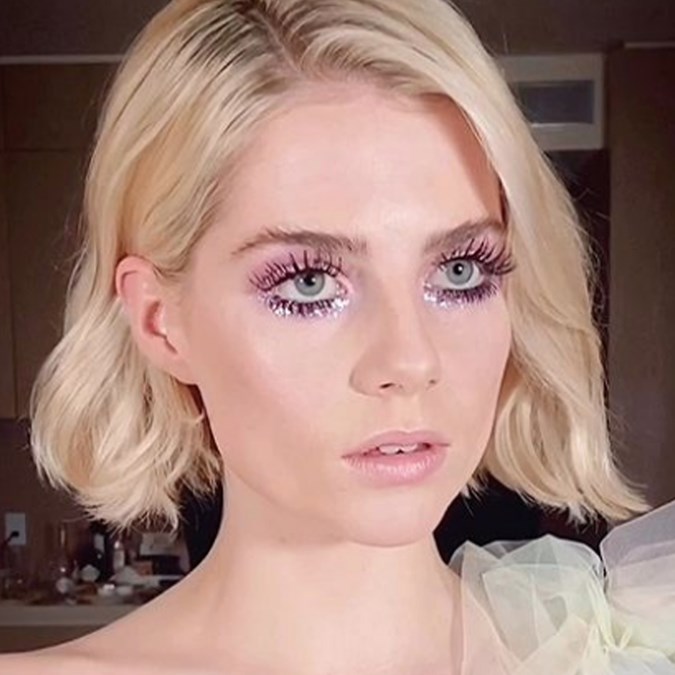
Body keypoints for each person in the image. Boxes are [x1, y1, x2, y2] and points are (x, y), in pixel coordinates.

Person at [3, 0, 674, 673]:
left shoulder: (625, 653)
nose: (410, 359)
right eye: (309, 283)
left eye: (460, 271)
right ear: (160, 320)